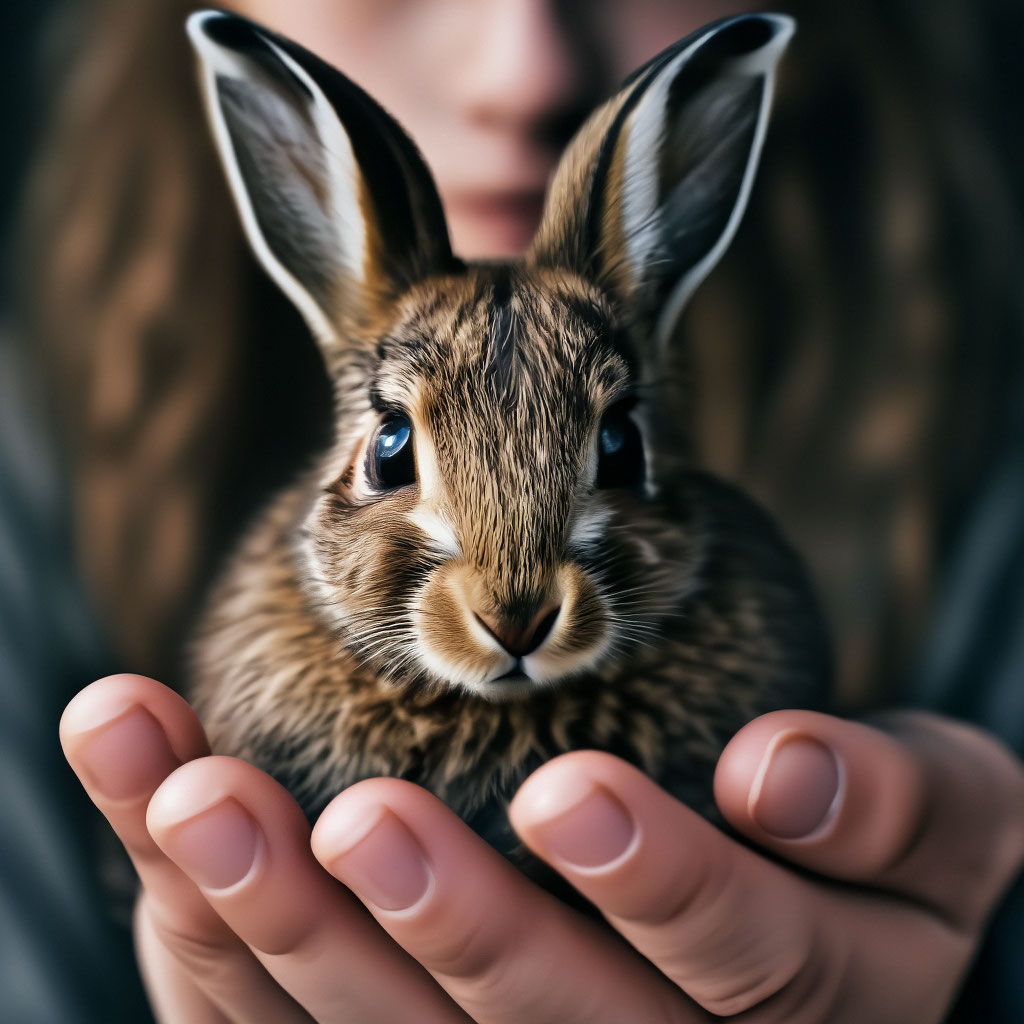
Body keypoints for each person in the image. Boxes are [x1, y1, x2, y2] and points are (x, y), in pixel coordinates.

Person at [5, 0, 1023, 1019]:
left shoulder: (979, 486)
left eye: (610, 449)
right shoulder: (32, 478)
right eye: (397, 451)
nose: (524, 69)